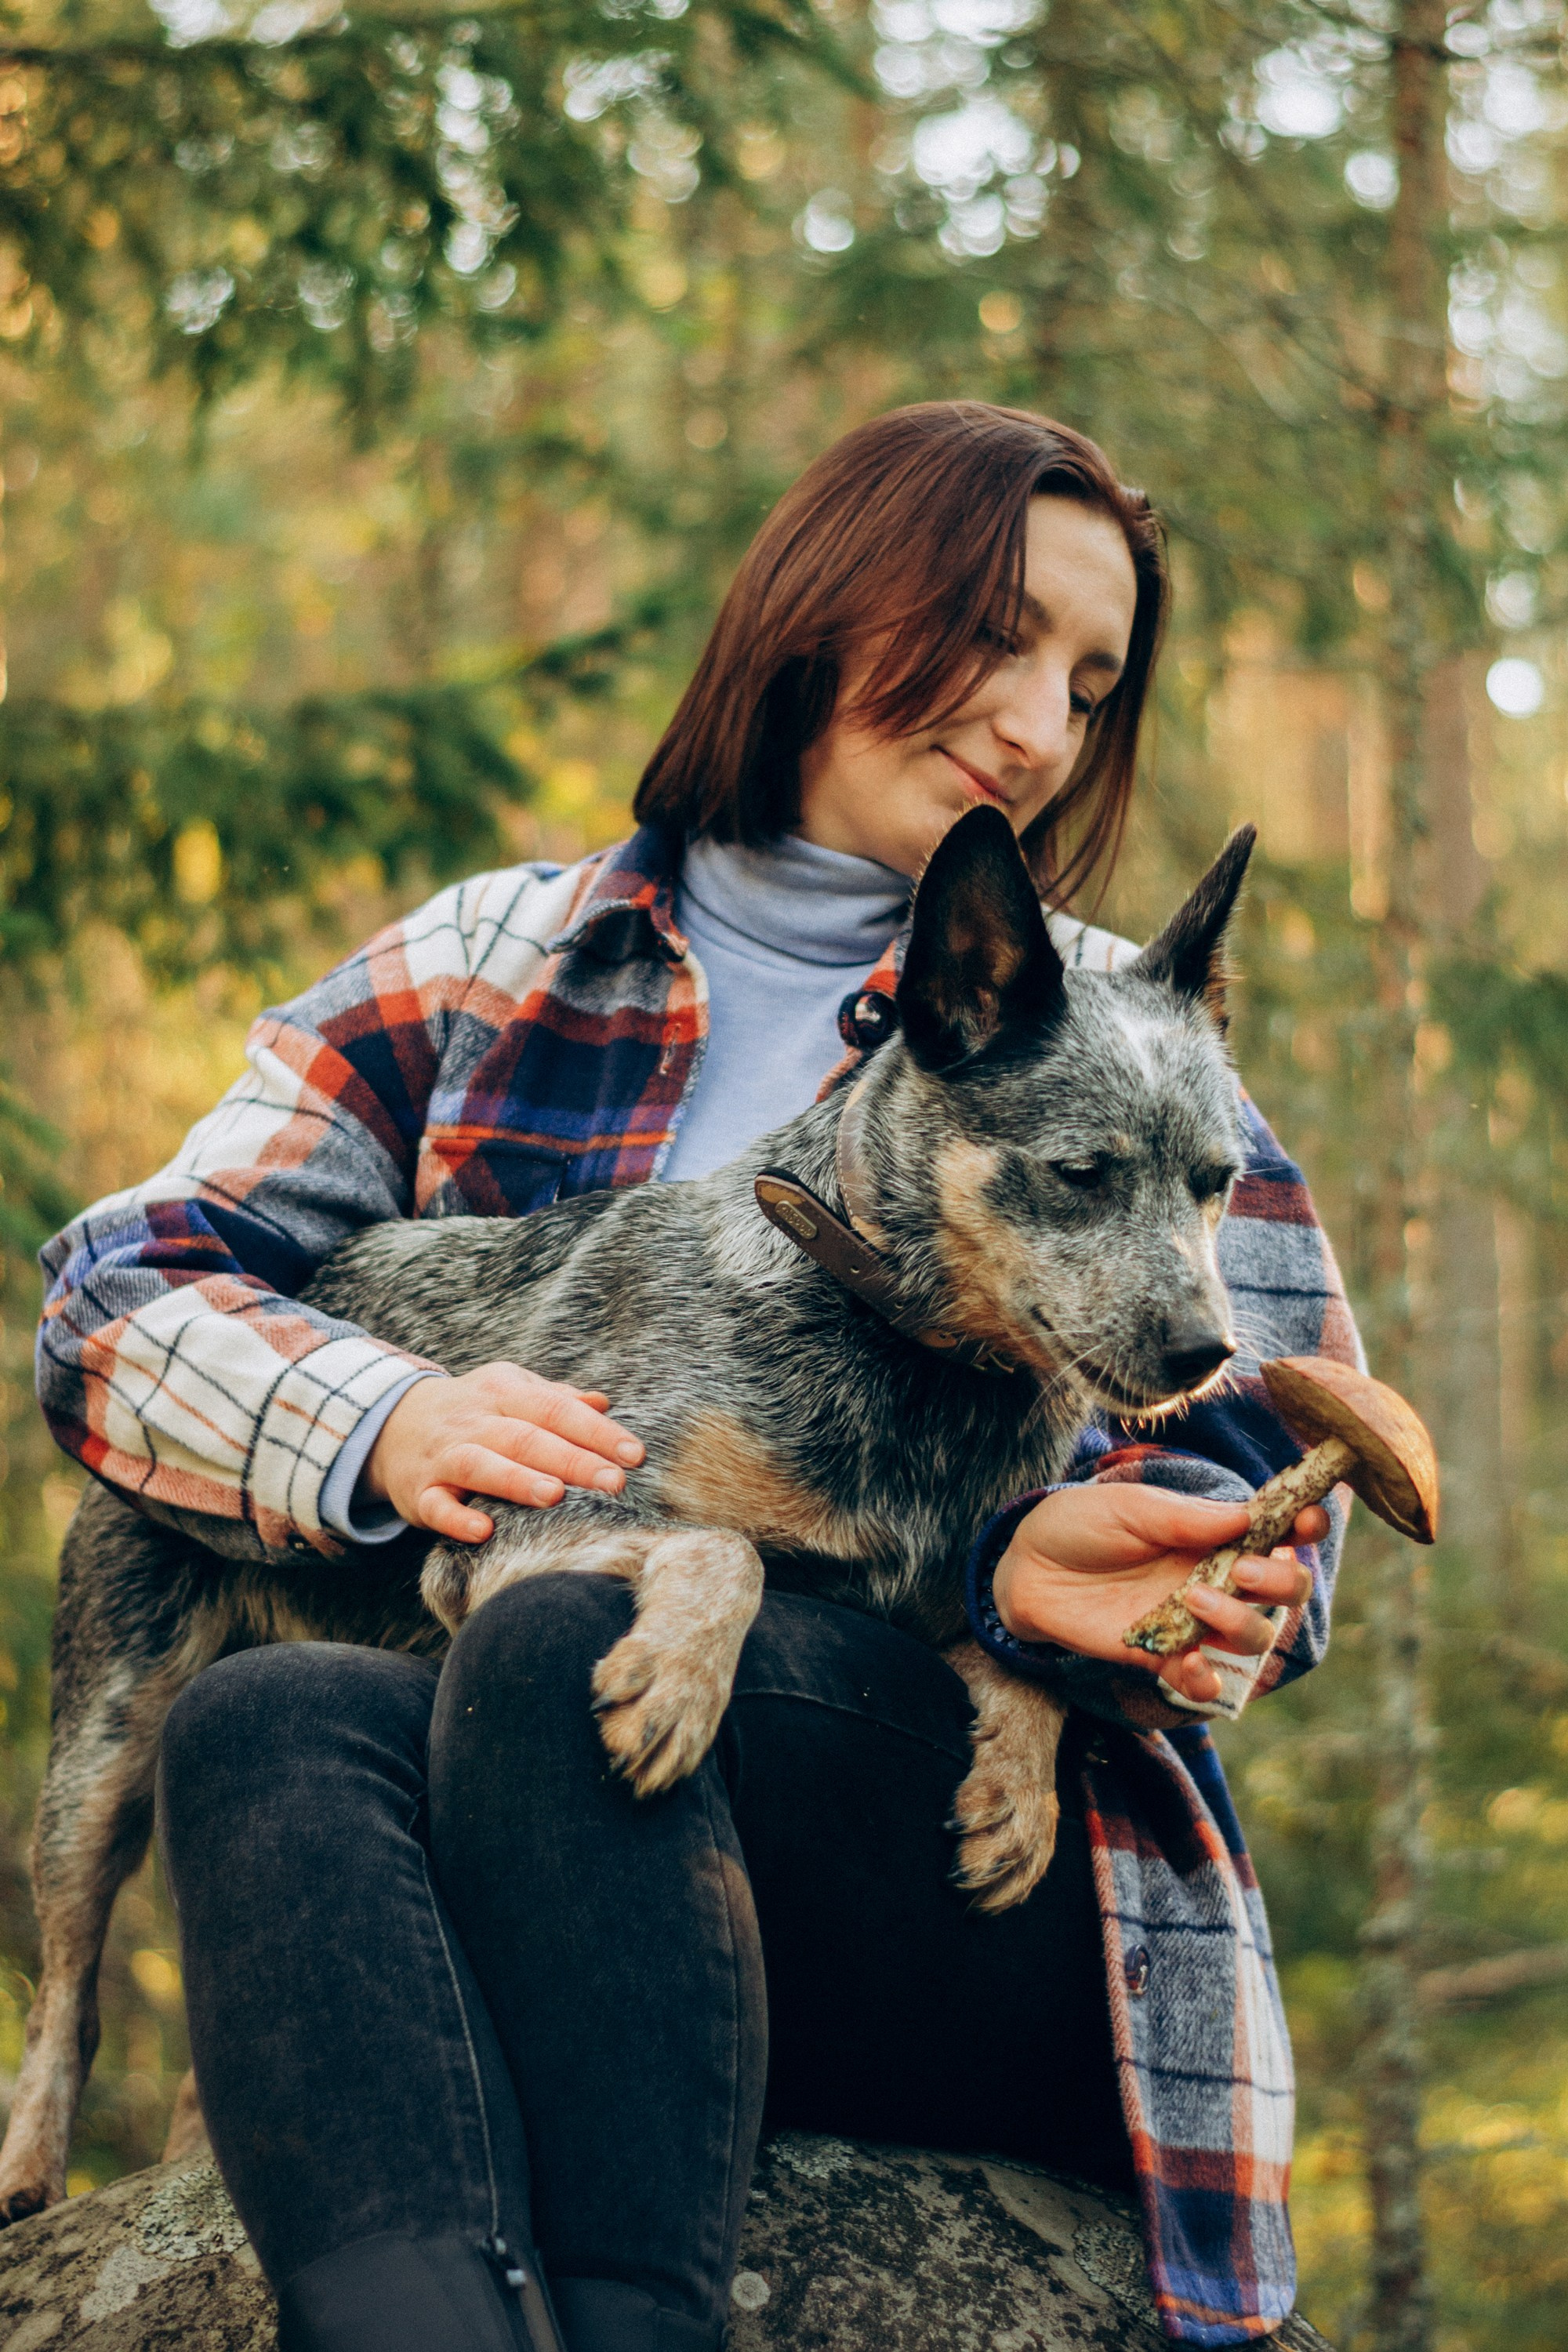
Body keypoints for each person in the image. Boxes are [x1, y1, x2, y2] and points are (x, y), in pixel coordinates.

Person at [37, 402, 1352, 2352]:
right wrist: (385, 1420)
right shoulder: (489, 958)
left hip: (915, 1886)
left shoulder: (1129, 1033)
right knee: (261, 1725)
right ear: (831, 611)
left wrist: (1110, 1582)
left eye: (1090, 684)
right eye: (1001, 643)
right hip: (505, 1813)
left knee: (569, 1620)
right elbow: (118, 1293)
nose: (1041, 727)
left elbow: (1271, 1521)